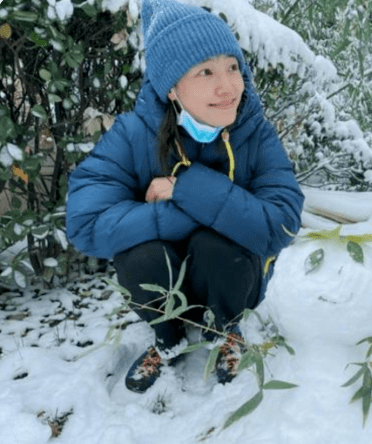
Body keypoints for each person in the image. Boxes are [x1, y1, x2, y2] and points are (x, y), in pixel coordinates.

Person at [65, 0, 304, 393]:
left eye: (232, 66)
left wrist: (186, 189)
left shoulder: (256, 134)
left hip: (231, 280)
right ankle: (168, 336)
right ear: (172, 87)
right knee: (138, 253)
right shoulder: (131, 134)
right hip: (165, 283)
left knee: (217, 245)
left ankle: (225, 329)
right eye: (205, 71)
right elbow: (87, 223)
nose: (227, 85)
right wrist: (193, 211)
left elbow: (280, 222)